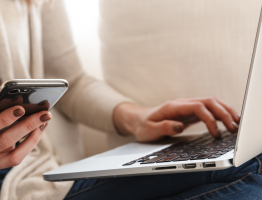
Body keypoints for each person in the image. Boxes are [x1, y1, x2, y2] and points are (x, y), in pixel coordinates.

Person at [0, 0, 261, 200]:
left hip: (36, 178)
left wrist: (138, 118)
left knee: (247, 158)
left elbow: (71, 82)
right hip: (12, 185)